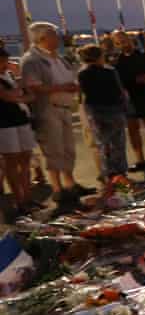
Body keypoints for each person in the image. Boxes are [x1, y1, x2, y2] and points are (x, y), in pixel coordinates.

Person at [20, 22, 83, 209]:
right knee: (53, 149)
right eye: (53, 35)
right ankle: (58, 189)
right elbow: (35, 86)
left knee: (68, 148)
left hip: (64, 107)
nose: (57, 38)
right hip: (48, 109)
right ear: (41, 38)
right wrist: (63, 87)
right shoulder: (32, 60)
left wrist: (72, 86)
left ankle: (70, 184)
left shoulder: (58, 58)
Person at [77, 44, 129, 194]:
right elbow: (120, 91)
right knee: (118, 143)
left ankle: (108, 174)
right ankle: (121, 173)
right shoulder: (110, 72)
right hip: (114, 110)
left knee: (103, 144)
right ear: (100, 57)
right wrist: (125, 107)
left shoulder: (82, 74)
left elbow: (82, 96)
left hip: (95, 111)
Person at [114, 33, 145, 172]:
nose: (123, 45)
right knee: (133, 131)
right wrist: (138, 79)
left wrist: (134, 80)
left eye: (124, 41)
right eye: (118, 43)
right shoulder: (118, 61)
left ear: (131, 41)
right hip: (129, 100)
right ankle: (140, 160)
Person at [0, 46, 35, 216]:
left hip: (20, 118)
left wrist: (17, 94)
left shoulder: (9, 75)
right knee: (11, 161)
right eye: (3, 61)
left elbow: (30, 96)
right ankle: (19, 200)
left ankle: (27, 197)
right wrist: (19, 93)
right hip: (4, 122)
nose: (6, 64)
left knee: (25, 158)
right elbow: (7, 96)